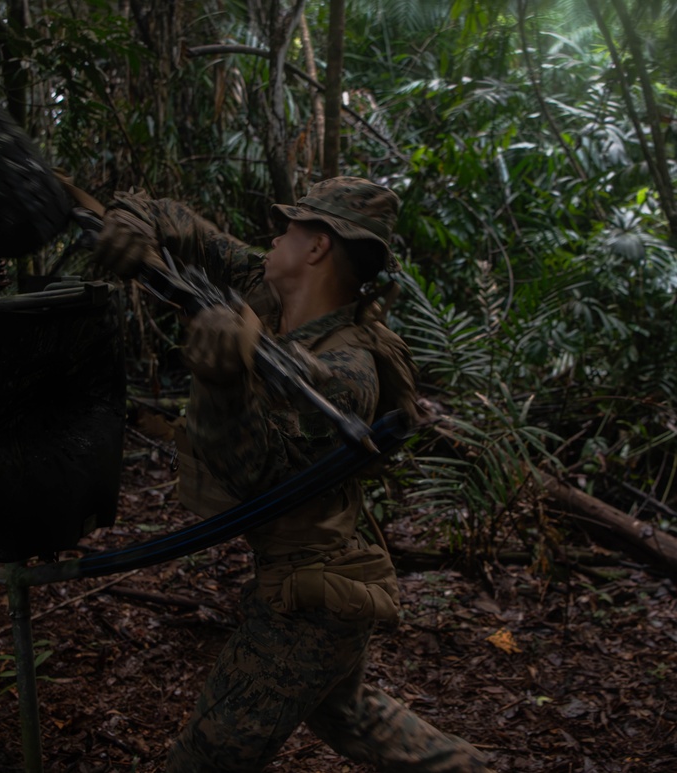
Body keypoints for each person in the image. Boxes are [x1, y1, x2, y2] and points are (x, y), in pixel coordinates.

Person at [94, 177, 493, 772]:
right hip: (317, 576)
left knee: (204, 761)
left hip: (312, 601)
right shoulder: (267, 288)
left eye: (290, 227)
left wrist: (221, 384)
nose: (274, 236)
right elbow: (177, 225)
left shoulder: (346, 373)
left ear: (318, 247)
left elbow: (260, 481)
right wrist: (129, 222)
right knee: (352, 714)